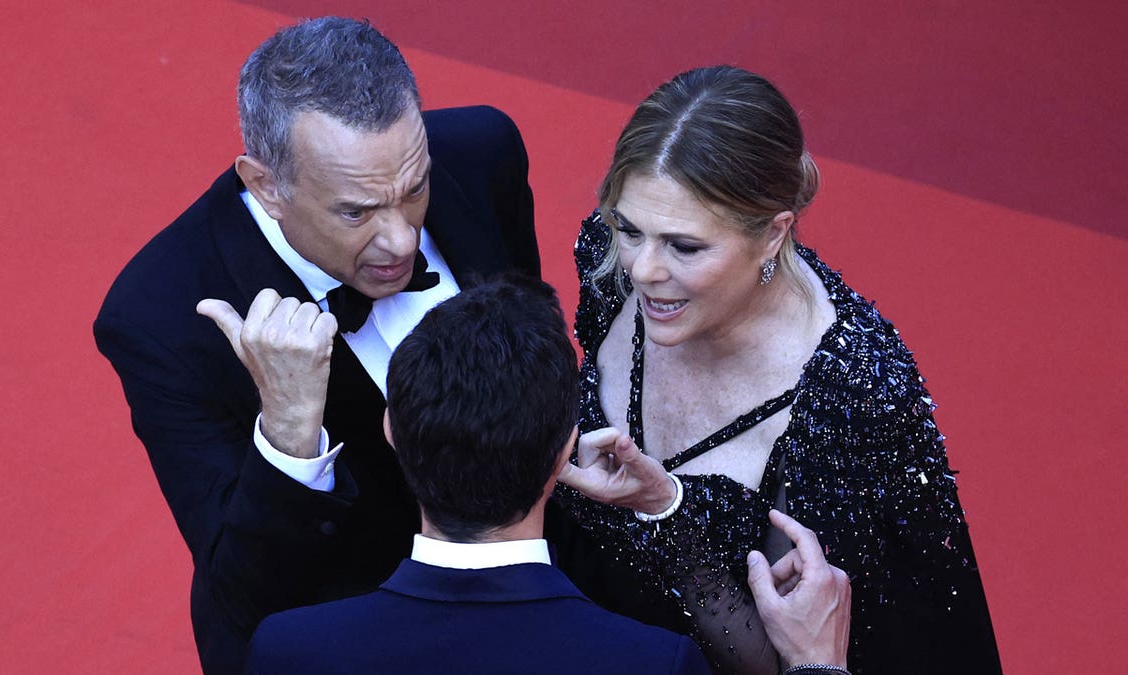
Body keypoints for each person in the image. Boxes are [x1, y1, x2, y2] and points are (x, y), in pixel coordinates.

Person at [93, 17, 538, 673]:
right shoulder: (159, 312)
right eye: (355, 212)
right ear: (265, 185)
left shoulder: (482, 151)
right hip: (341, 634)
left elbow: (533, 359)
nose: (401, 241)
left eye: (414, 190)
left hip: (530, 591)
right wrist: (289, 431)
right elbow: (243, 593)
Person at [556, 66, 1002, 674]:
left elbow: (797, 656)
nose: (641, 269)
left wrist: (667, 511)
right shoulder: (611, 268)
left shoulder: (852, 396)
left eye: (685, 247)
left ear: (772, 235)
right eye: (629, 228)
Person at [246, 278, 852, 675]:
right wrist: (819, 666)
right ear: (566, 448)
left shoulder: (289, 652)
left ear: (391, 430)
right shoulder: (649, 665)